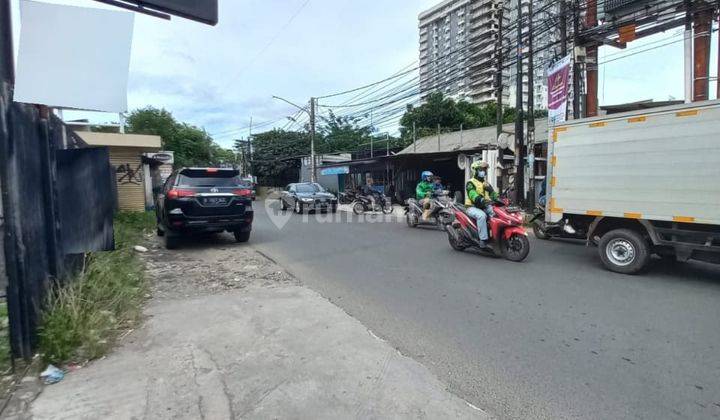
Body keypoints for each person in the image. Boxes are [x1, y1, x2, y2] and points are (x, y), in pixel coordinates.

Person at [465, 161, 498, 247]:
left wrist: (497, 197)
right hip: (472, 207)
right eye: (481, 169)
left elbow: (494, 195)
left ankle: (496, 236)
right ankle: (483, 240)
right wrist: (480, 199)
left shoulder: (486, 183)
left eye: (484, 169)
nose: (484, 171)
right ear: (475, 171)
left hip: (485, 206)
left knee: (496, 214)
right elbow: (472, 194)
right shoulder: (470, 183)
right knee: (482, 216)